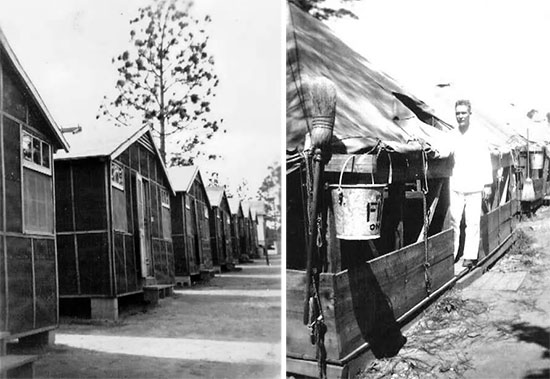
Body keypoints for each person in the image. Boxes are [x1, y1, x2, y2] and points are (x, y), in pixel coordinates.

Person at [449, 99, 493, 268]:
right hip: (456, 183)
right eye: (457, 113)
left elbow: (485, 159)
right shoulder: (452, 134)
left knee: (472, 221)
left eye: (463, 113)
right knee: (454, 220)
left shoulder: (478, 135)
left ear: (469, 114)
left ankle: (469, 255)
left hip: (474, 184)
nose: (460, 116)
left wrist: (487, 183)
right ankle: (452, 254)